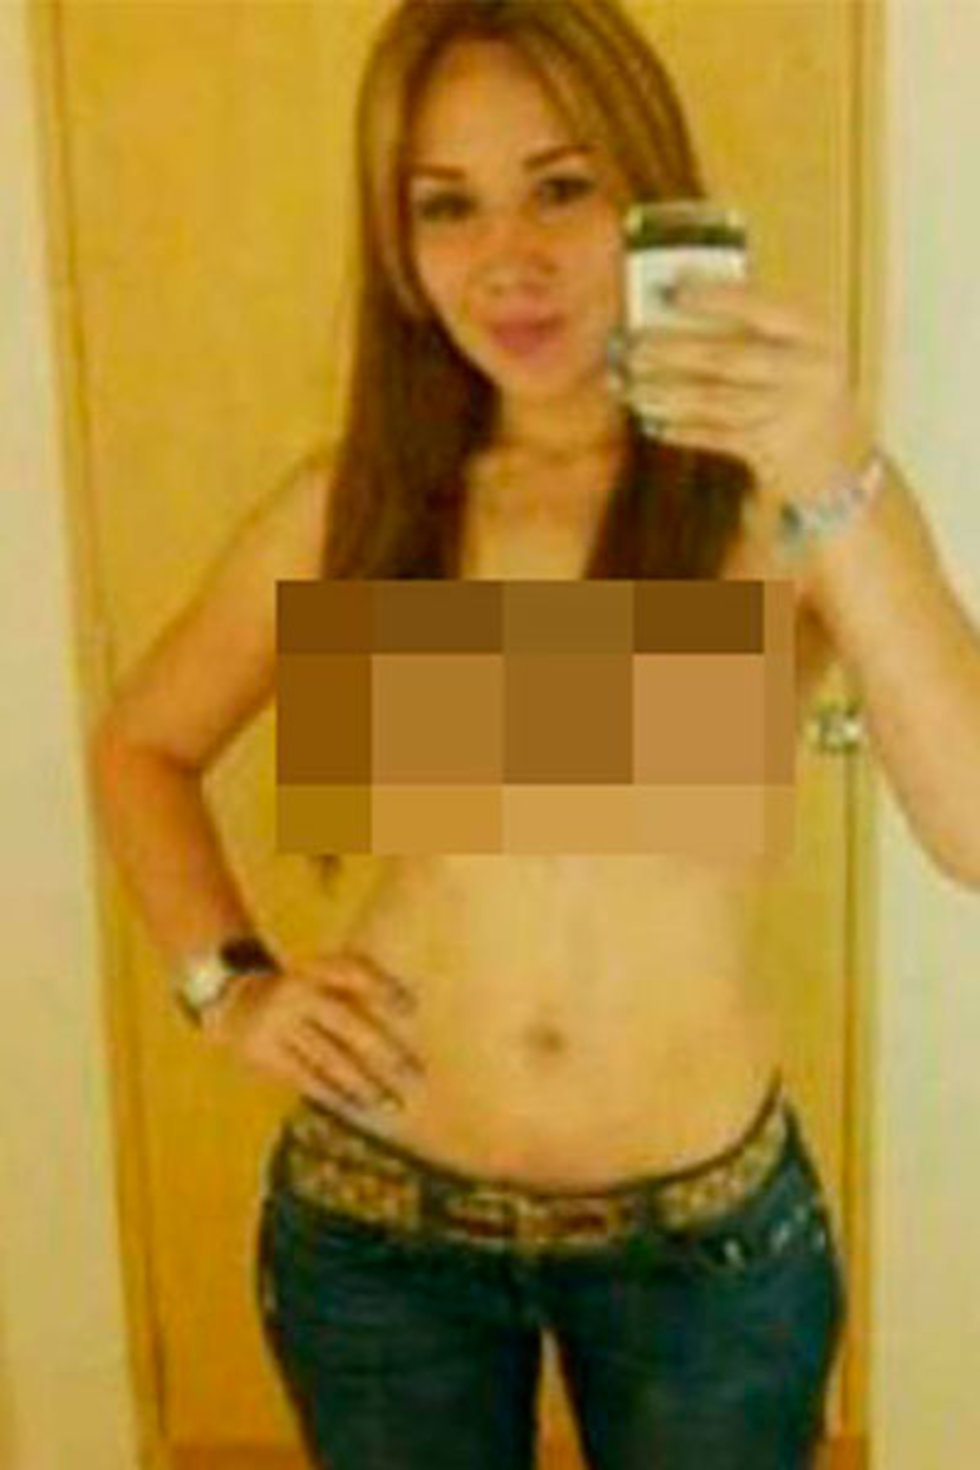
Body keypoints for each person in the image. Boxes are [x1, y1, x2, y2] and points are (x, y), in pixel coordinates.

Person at [89, 1, 980, 1466]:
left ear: (653, 197)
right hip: (379, 1233)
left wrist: (836, 468)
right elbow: (142, 749)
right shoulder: (361, 506)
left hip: (705, 1258)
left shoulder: (775, 500)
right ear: (399, 244)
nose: (508, 257)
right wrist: (229, 987)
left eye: (562, 186)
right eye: (447, 205)